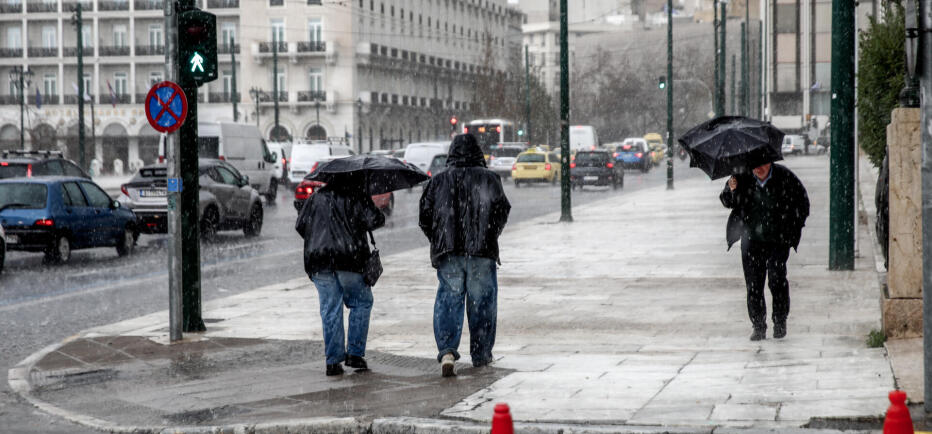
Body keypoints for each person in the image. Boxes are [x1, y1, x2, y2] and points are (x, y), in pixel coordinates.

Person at [419, 134, 511, 377]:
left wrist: (438, 239)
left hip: (449, 251)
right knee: (482, 303)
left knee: (449, 300)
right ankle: (481, 354)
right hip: (482, 250)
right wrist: (489, 234)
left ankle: (447, 350)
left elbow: (424, 216)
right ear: (478, 153)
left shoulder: (438, 180)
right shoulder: (490, 179)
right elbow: (502, 210)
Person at [296, 180, 385, 376]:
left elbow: (301, 225)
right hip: (350, 259)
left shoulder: (315, 198)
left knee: (330, 308)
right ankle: (354, 353)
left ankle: (333, 361)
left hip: (319, 260)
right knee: (361, 302)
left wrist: (319, 240)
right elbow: (375, 221)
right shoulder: (357, 195)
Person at [720, 162, 809, 341]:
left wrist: (792, 226)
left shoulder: (784, 177)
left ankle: (780, 320)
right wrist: (731, 189)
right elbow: (728, 202)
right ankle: (758, 325)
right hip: (751, 240)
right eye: (755, 165)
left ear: (770, 162)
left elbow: (802, 202)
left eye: (763, 164)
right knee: (754, 284)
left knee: (777, 278)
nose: (758, 168)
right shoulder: (740, 176)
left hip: (778, 240)